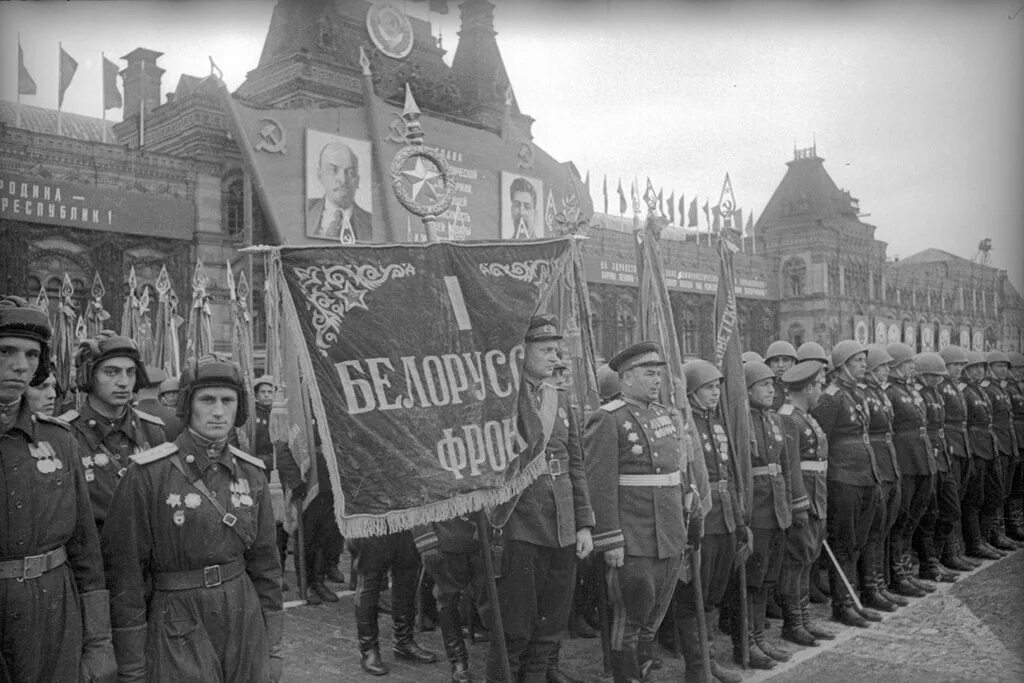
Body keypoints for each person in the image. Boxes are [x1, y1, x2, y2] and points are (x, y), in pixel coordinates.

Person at [101, 356, 284, 682]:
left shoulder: (251, 473)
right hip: (177, 618)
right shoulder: (148, 474)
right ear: (188, 405)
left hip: (242, 613)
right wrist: (131, 663)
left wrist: (273, 648)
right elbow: (126, 574)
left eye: (228, 401)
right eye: (207, 400)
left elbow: (266, 565)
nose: (218, 411)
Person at [0, 295, 116, 682]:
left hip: (54, 610)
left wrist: (98, 642)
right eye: (6, 350)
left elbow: (84, 546)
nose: (21, 365)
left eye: (32, 355)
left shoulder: (60, 440)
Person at [486, 314, 594, 683]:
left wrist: (584, 525)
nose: (555, 357)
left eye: (558, 350)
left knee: (551, 622)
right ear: (522, 352)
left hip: (562, 524)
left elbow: (576, 466)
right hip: (519, 522)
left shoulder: (560, 399)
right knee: (515, 625)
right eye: (546, 350)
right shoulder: (500, 399)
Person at [584, 341, 686, 682]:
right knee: (630, 614)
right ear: (626, 378)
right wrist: (610, 539)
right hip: (633, 534)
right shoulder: (608, 418)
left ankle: (643, 669)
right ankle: (625, 676)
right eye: (649, 374)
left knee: (654, 612)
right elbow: (600, 485)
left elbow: (675, 472)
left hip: (669, 531)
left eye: (658, 374)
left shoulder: (664, 415)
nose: (657, 381)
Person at [670, 359, 745, 682]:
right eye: (708, 387)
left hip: (724, 514)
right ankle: (697, 669)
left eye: (717, 387)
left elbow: (727, 472)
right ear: (691, 391)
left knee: (713, 595)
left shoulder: (716, 423)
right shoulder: (684, 426)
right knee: (693, 597)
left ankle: (709, 660)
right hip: (702, 517)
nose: (715, 393)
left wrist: (739, 519)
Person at [65, 331, 167, 533]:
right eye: (111, 372)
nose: (123, 382)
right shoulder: (67, 434)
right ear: (89, 376)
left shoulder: (152, 431)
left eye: (130, 372)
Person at [810, 340, 880, 629]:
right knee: (844, 542)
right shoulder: (831, 397)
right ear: (841, 366)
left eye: (864, 360)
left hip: (864, 474)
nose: (864, 365)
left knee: (858, 541)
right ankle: (842, 604)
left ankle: (853, 599)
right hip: (843, 477)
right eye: (858, 361)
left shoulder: (856, 393)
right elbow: (819, 440)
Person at [731, 362, 794, 665]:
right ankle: (746, 643)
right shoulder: (741, 422)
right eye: (764, 385)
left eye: (773, 384)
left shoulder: (773, 420)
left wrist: (790, 504)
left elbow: (784, 466)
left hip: (776, 507)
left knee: (767, 579)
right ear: (748, 389)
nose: (772, 390)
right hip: (755, 509)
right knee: (751, 580)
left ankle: (759, 639)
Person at [777, 360, 837, 648]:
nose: (821, 392)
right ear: (809, 387)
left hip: (817, 494)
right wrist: (799, 503)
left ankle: (804, 618)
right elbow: (791, 465)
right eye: (818, 386)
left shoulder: (805, 416)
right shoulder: (789, 417)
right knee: (796, 560)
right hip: (804, 497)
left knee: (807, 558)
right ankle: (793, 623)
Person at [884, 343, 939, 595]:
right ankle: (897, 574)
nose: (912, 367)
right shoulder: (890, 391)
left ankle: (905, 568)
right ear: (895, 365)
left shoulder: (911, 390)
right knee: (901, 517)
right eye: (907, 363)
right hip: (905, 459)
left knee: (915, 514)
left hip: (921, 456)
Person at [859, 346, 910, 606]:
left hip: (888, 462)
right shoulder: (864, 394)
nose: (885, 372)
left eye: (886, 368)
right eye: (880, 368)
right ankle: (871, 587)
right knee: (874, 530)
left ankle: (882, 582)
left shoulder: (880, 392)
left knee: (885, 526)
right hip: (875, 464)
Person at [414, 517, 484, 682]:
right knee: (448, 597)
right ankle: (458, 662)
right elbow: (417, 502)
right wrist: (427, 544)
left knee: (488, 597)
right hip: (446, 539)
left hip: (481, 538)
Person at [913, 352, 963, 583]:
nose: (936, 379)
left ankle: (939, 557)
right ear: (922, 375)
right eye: (931, 376)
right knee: (929, 514)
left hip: (941, 453)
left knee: (951, 509)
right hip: (927, 454)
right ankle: (929, 564)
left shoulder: (935, 391)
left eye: (938, 376)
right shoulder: (919, 394)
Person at [252, 375, 305, 591]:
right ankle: (265, 574)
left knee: (281, 529)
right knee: (263, 529)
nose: (267, 396)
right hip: (260, 476)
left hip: (280, 479)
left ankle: (279, 573)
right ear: (256, 395)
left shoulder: (283, 414)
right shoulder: (252, 417)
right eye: (262, 392)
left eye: (270, 392)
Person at [937, 345, 985, 567]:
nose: (958, 369)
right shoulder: (943, 387)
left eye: (959, 365)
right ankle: (949, 553)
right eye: (954, 365)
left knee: (961, 497)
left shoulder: (955, 387)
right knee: (951, 501)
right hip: (951, 445)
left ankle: (957, 550)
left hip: (962, 443)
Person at [960, 352, 1006, 559]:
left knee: (994, 493)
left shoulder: (980, 390)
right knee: (974, 498)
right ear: (965, 370)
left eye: (981, 367)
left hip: (988, 446)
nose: (979, 371)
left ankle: (986, 538)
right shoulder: (964, 391)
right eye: (974, 367)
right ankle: (976, 543)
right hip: (974, 447)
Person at [983, 351, 1023, 550]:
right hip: (997, 444)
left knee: (1007, 489)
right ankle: (996, 532)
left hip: (1008, 443)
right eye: (999, 366)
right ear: (989, 368)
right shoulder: (988, 389)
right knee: (997, 491)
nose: (1003, 370)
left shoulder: (1001, 389)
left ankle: (1004, 529)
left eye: (1005, 366)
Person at [306, 140, 372, 242]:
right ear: (320, 175)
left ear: (357, 181)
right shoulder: (305, 209)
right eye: (333, 170)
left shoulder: (371, 222)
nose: (342, 179)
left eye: (350, 172)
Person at [1003, 351, 1024, 542]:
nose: (1019, 372)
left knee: (1018, 484)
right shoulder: (1007, 388)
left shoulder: (1016, 387)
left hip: (1019, 437)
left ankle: (1016, 520)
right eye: (1016, 369)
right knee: (1013, 484)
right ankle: (1012, 524)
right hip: (1013, 439)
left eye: (1021, 369)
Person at [764, 341, 798, 411]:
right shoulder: (765, 387)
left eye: (785, 360)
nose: (780, 365)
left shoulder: (801, 385)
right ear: (769, 364)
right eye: (775, 360)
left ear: (793, 362)